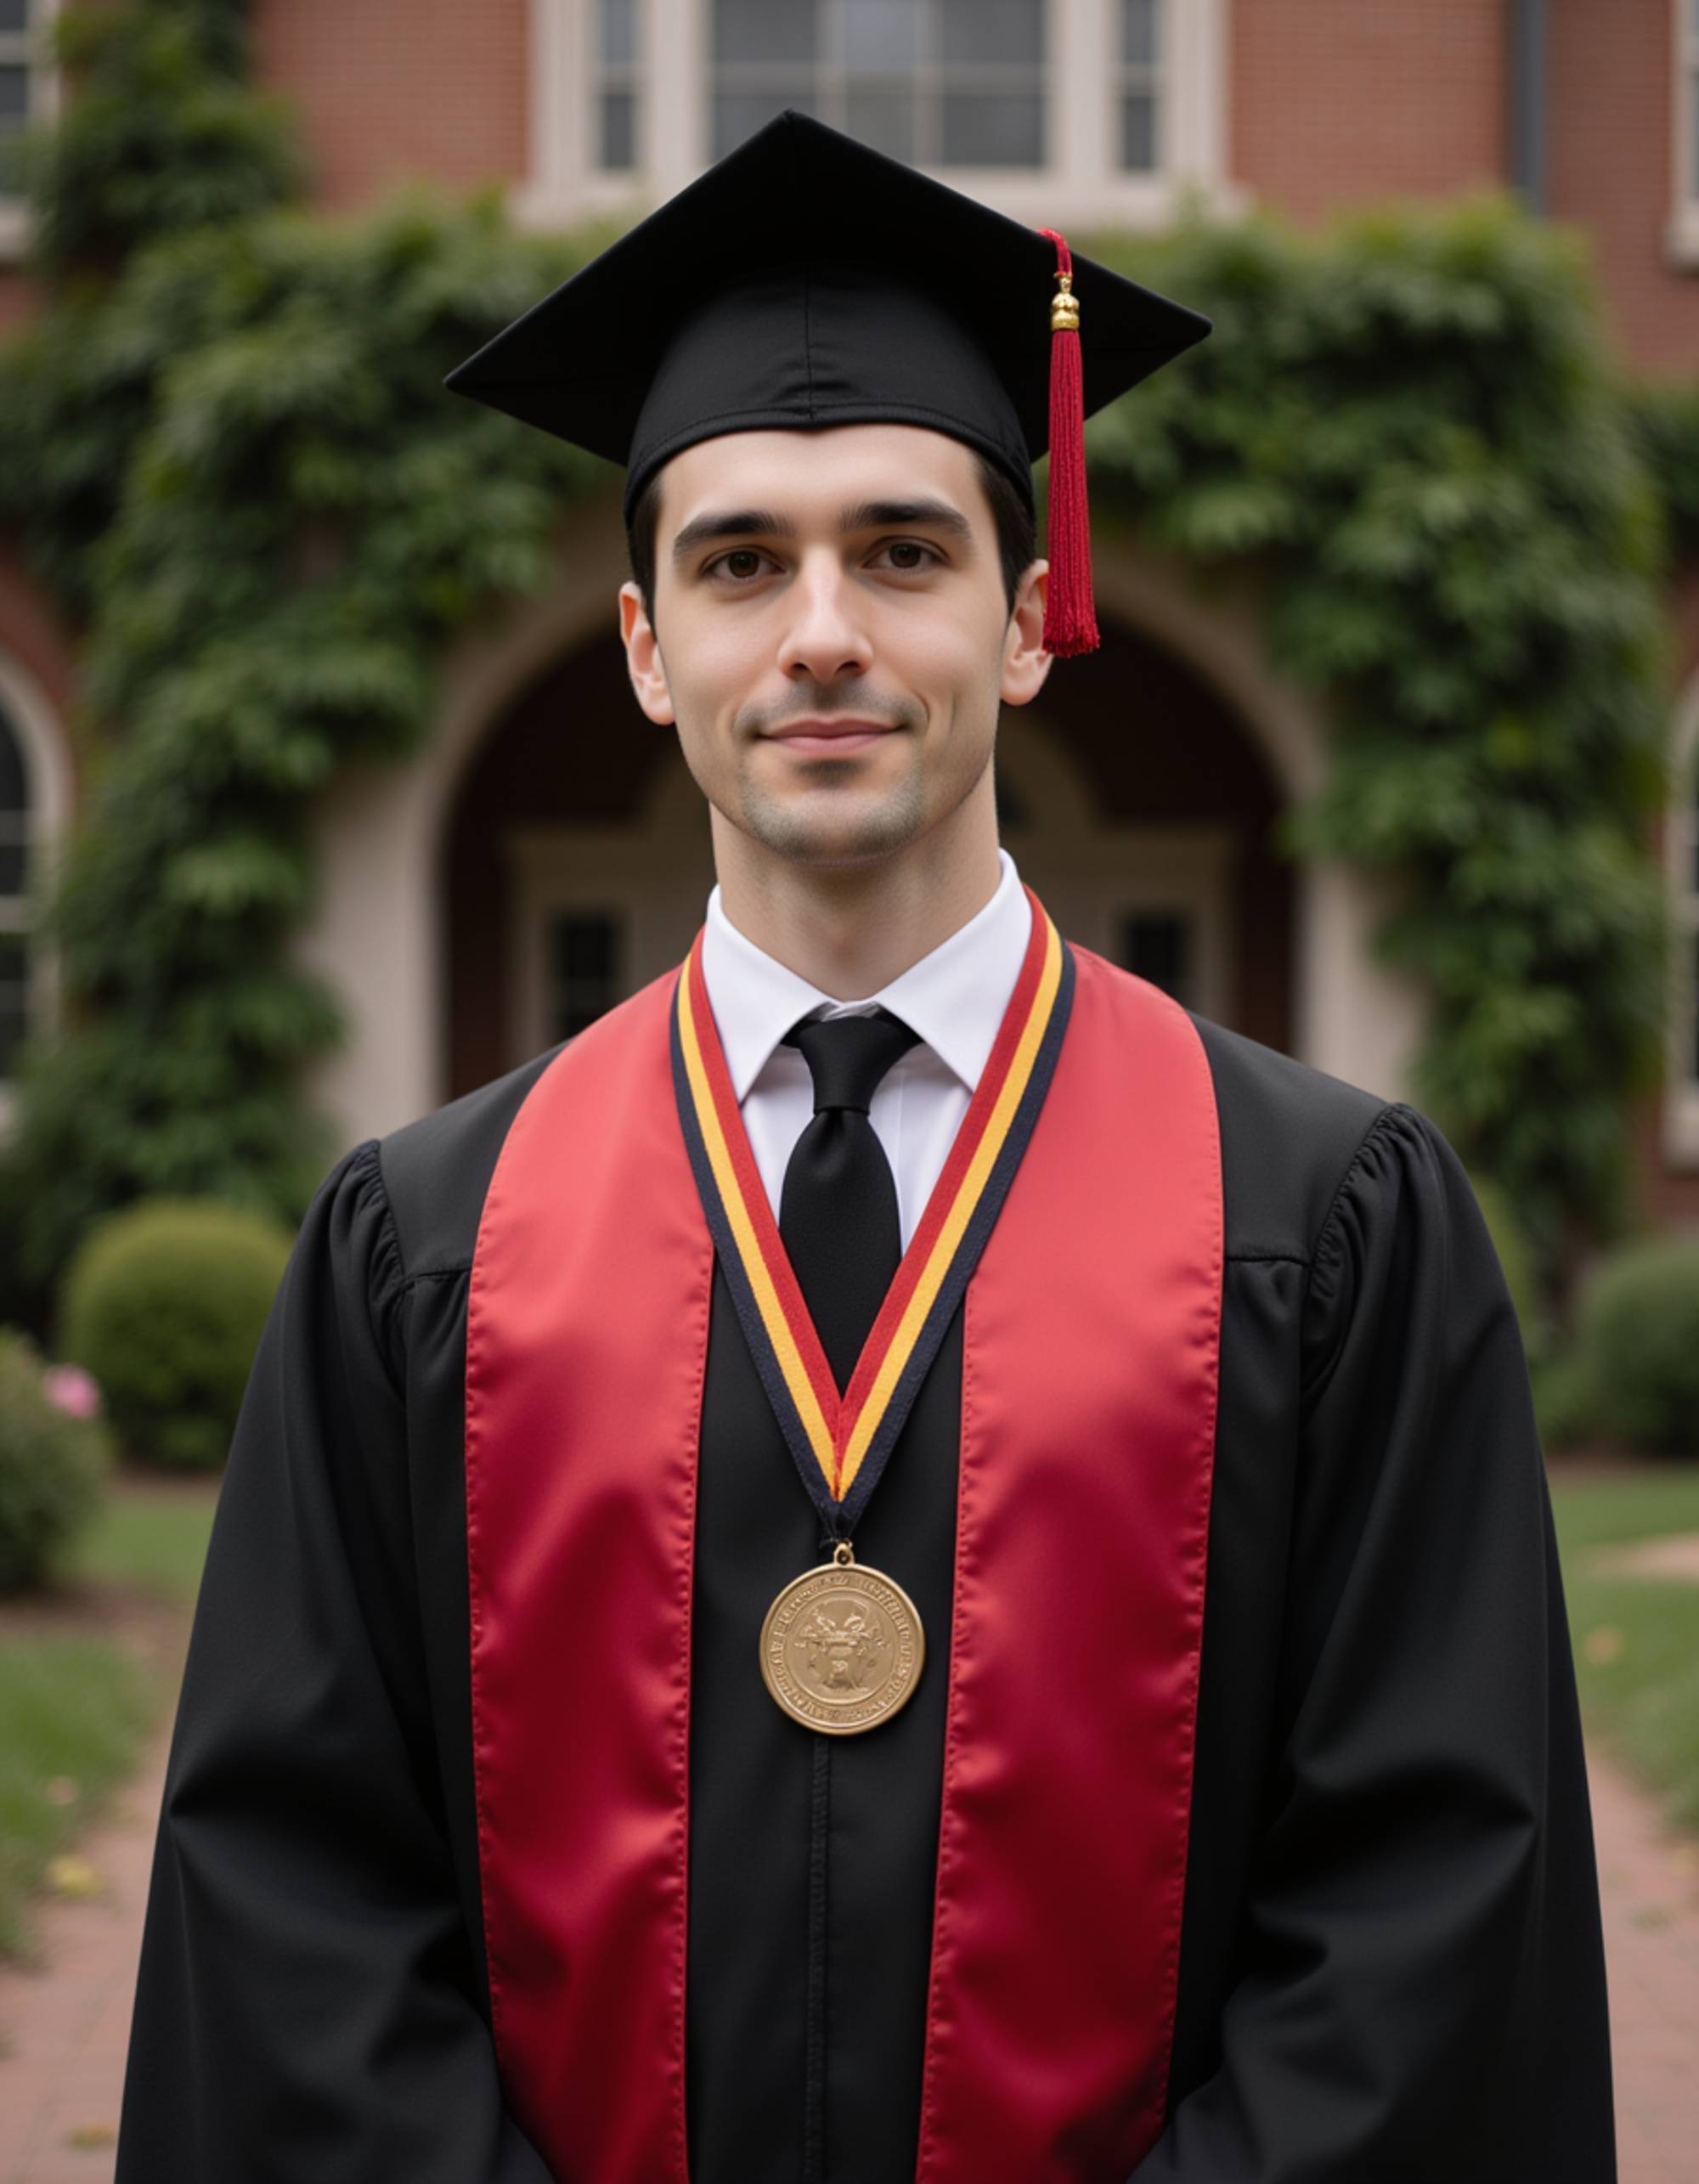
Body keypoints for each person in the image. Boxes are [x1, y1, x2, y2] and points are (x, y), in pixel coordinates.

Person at [115, 110, 1615, 2184]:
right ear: (648, 650)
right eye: (739, 561)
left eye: (902, 550)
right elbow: (297, 1912)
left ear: (1024, 617)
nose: (820, 629)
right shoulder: (426, 1244)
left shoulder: (1324, 1220)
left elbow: (1428, 1908)